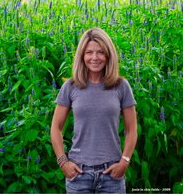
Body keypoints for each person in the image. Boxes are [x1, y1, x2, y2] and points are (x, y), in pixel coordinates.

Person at [50, 27, 137, 193]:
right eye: (89, 52)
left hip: (112, 176)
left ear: (108, 55)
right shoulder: (70, 86)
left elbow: (131, 130)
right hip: (78, 176)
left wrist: (125, 161)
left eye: (101, 52)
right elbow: (56, 128)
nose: (95, 58)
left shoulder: (121, 86)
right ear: (82, 56)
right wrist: (63, 162)